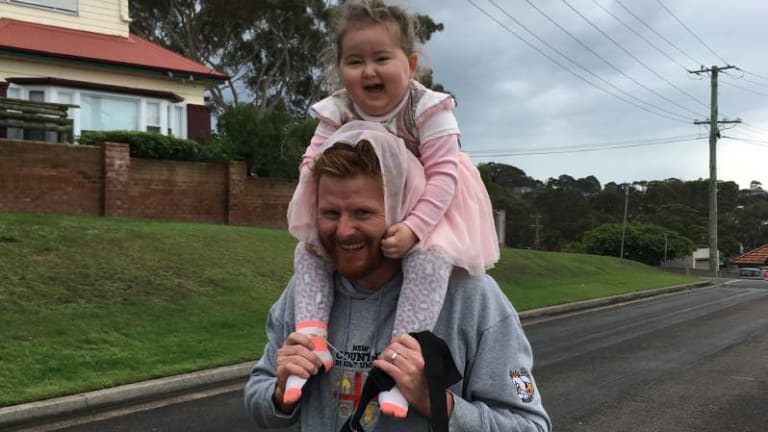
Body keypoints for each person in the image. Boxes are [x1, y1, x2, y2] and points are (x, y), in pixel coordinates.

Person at [243, 122, 551, 432]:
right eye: (331, 213)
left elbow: (529, 424)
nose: (344, 231)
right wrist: (280, 395)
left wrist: (436, 402)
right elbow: (259, 391)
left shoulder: (472, 299)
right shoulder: (306, 292)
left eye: (363, 213)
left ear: (402, 211)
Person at [284, 0, 500, 417]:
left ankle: (401, 360)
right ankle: (311, 336)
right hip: (383, 194)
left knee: (430, 258)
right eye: (355, 61)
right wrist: (317, 204)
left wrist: (415, 228)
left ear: (411, 63)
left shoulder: (427, 108)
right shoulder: (339, 108)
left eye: (382, 58)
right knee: (307, 250)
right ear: (340, 68)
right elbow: (312, 161)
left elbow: (444, 176)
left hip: (431, 204)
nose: (368, 71)